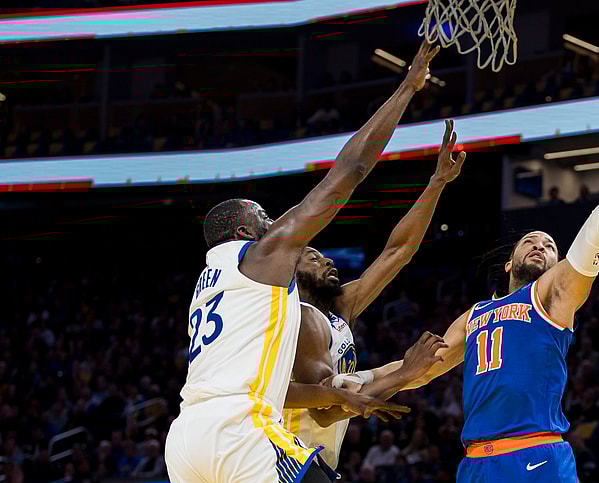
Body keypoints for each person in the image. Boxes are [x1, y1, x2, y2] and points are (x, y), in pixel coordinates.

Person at [164, 42, 441, 483]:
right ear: (243, 233)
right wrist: (407, 88)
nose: (276, 227)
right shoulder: (261, 258)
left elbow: (396, 254)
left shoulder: (210, 285)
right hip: (240, 430)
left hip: (184, 438)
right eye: (265, 221)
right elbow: (347, 173)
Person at [400, 96, 599, 481]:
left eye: (550, 246)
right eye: (530, 241)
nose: (540, 246)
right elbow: (420, 370)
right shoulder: (475, 314)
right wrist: (362, 381)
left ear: (557, 264)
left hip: (536, 455)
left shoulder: (553, 294)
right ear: (508, 261)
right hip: (475, 464)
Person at [283, 120, 465, 470]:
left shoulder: (338, 310)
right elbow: (324, 410)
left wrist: (436, 183)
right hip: (284, 460)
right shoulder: (297, 316)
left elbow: (398, 251)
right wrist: (404, 374)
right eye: (314, 257)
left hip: (315, 462)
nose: (328, 260)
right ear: (292, 272)